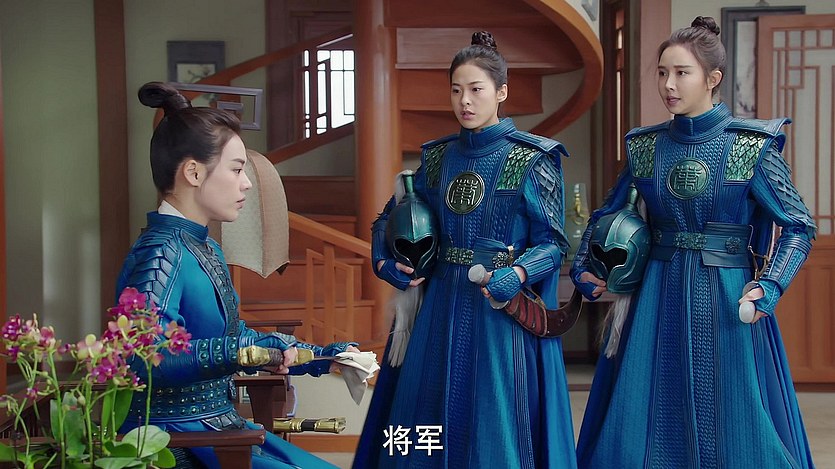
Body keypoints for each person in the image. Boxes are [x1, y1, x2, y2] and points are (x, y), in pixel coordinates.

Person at [571, 17, 816, 468]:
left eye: (682, 73)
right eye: (663, 72)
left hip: (727, 297)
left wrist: (771, 285)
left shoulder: (749, 146)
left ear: (712, 78)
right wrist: (584, 269)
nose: (668, 84)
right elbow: (606, 213)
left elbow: (799, 226)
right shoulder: (646, 148)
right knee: (644, 415)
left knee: (734, 417)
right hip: (655, 296)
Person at [354, 31, 576, 468]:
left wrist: (518, 274)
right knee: (423, 413)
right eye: (456, 91)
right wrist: (383, 262)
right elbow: (387, 219)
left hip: (499, 308)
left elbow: (553, 243)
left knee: (493, 421)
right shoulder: (438, 158)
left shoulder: (531, 158)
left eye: (476, 90)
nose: (465, 101)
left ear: (502, 92)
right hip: (440, 304)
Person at [117, 81, 358, 469]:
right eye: (236, 169)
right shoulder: (160, 253)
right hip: (176, 438)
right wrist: (245, 353)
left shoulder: (204, 247)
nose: (245, 182)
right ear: (193, 172)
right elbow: (146, 357)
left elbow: (231, 336)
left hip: (219, 428)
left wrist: (321, 356)